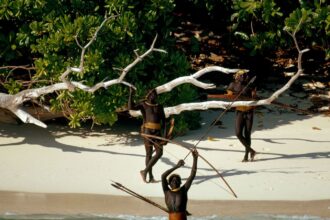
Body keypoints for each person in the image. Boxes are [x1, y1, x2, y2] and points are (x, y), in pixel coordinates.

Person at [128, 87, 167, 183]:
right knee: (149, 154)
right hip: (147, 132)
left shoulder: (159, 106)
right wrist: (131, 94)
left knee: (159, 152)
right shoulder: (143, 104)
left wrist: (165, 136)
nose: (155, 95)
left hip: (157, 133)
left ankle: (144, 171)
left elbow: (164, 122)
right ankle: (150, 176)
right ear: (148, 95)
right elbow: (130, 107)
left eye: (155, 93)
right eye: (153, 93)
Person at [227, 70, 257, 162]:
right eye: (240, 75)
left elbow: (254, 98)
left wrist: (254, 96)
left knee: (247, 134)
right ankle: (252, 151)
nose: (243, 77)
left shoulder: (250, 85)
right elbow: (229, 96)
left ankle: (246, 156)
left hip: (249, 111)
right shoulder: (232, 85)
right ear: (236, 76)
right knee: (238, 133)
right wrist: (233, 96)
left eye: (244, 75)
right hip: (239, 111)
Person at [161, 149, 198, 220]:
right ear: (168, 183)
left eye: (177, 180)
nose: (174, 181)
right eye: (172, 180)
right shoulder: (166, 192)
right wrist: (177, 166)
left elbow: (192, 175)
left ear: (180, 183)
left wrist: (195, 158)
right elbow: (163, 176)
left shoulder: (183, 190)